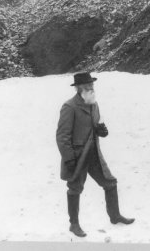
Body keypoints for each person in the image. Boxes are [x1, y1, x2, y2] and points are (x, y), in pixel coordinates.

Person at [56, 71, 134, 237]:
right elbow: (62, 136)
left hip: (93, 153)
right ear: (78, 88)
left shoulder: (93, 104)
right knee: (74, 188)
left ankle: (115, 216)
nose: (91, 87)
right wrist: (69, 159)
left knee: (110, 182)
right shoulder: (69, 107)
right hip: (77, 156)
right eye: (87, 85)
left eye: (92, 84)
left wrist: (101, 130)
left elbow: (96, 125)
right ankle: (74, 224)